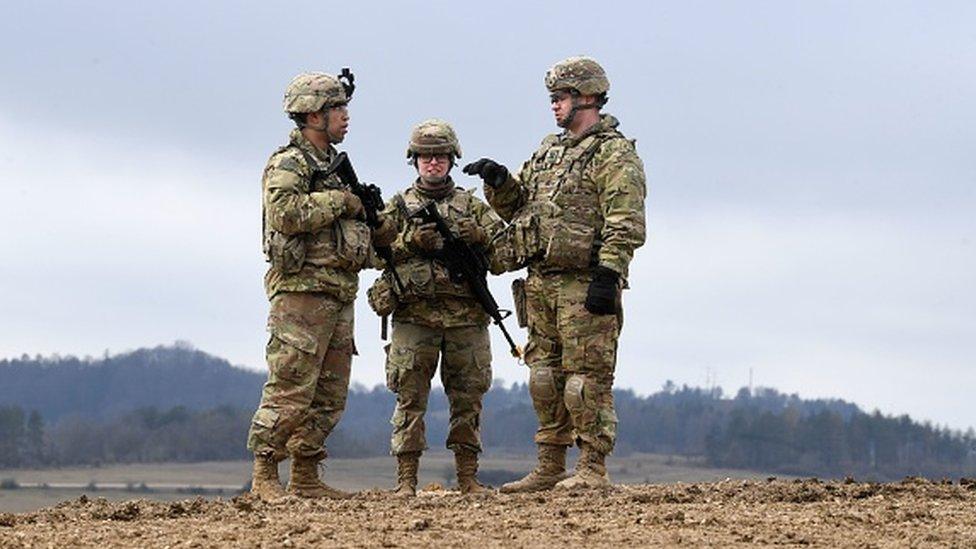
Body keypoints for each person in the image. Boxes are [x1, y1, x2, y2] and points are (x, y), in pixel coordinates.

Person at [463, 56, 647, 491]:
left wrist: (610, 273)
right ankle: (549, 465)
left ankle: (591, 467)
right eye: (552, 98)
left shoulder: (613, 153)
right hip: (542, 281)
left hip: (586, 282)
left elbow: (626, 220)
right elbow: (519, 206)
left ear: (586, 97)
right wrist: (499, 181)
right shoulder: (550, 150)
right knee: (544, 377)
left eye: (560, 97)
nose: (554, 105)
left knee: (586, 380)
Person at [246, 70, 396, 500]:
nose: (346, 117)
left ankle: (307, 476)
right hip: (301, 294)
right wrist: (342, 202)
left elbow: (355, 232)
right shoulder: (289, 163)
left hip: (338, 292)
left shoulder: (332, 168)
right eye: (338, 109)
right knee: (290, 384)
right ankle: (265, 474)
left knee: (330, 394)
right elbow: (286, 213)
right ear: (313, 115)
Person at [366, 119, 505, 497]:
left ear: (452, 159)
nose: (433, 164)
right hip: (415, 318)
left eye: (440, 156)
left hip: (466, 320)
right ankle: (406, 482)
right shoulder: (397, 207)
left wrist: (480, 238)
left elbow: (507, 253)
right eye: (425, 157)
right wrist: (410, 243)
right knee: (410, 398)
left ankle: (468, 479)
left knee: (468, 398)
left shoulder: (472, 207)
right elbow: (372, 252)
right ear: (414, 161)